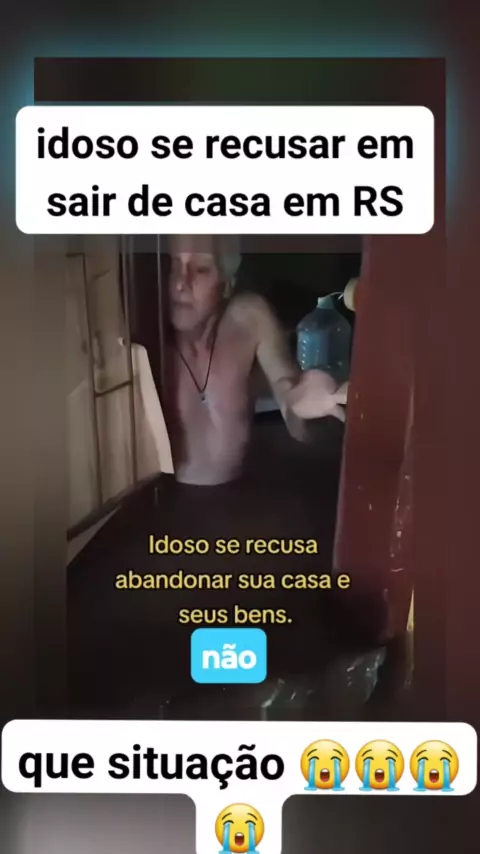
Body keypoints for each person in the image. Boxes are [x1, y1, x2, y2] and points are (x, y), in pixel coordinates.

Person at [165, 235, 348, 485]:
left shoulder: (250, 318)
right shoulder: (143, 328)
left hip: (241, 492)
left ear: (227, 282)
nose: (180, 284)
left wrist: (305, 410)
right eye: (173, 266)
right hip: (164, 497)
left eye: (201, 269)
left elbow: (290, 400)